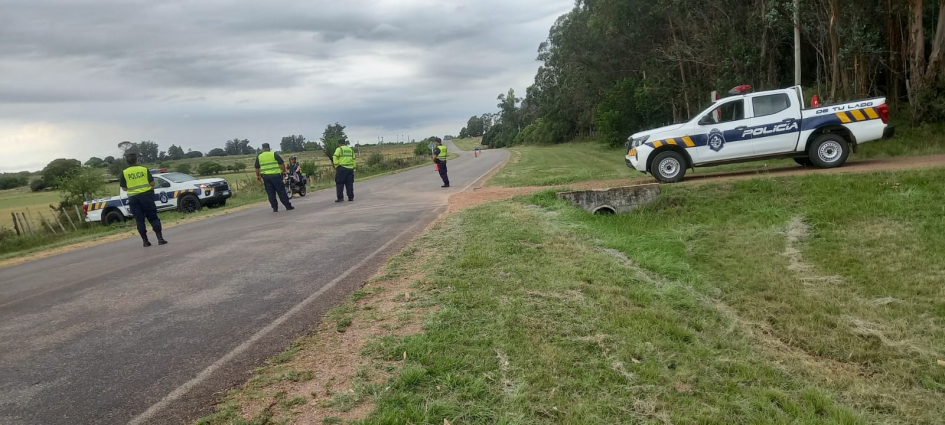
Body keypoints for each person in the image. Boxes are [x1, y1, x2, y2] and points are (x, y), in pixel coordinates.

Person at [119, 151, 167, 247]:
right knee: (153, 217)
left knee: (139, 220)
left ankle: (145, 241)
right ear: (137, 160)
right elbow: (152, 183)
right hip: (146, 196)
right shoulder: (144, 169)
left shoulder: (124, 173)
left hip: (133, 198)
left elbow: (124, 188)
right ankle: (160, 239)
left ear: (127, 162)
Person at [255, 143, 294, 212]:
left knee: (270, 193)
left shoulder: (259, 156)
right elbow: (281, 163)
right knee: (281, 191)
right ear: (269, 148)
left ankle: (274, 208)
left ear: (262, 148)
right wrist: (284, 171)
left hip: (266, 177)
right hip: (276, 176)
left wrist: (258, 176)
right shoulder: (274, 154)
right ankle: (288, 206)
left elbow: (257, 167)